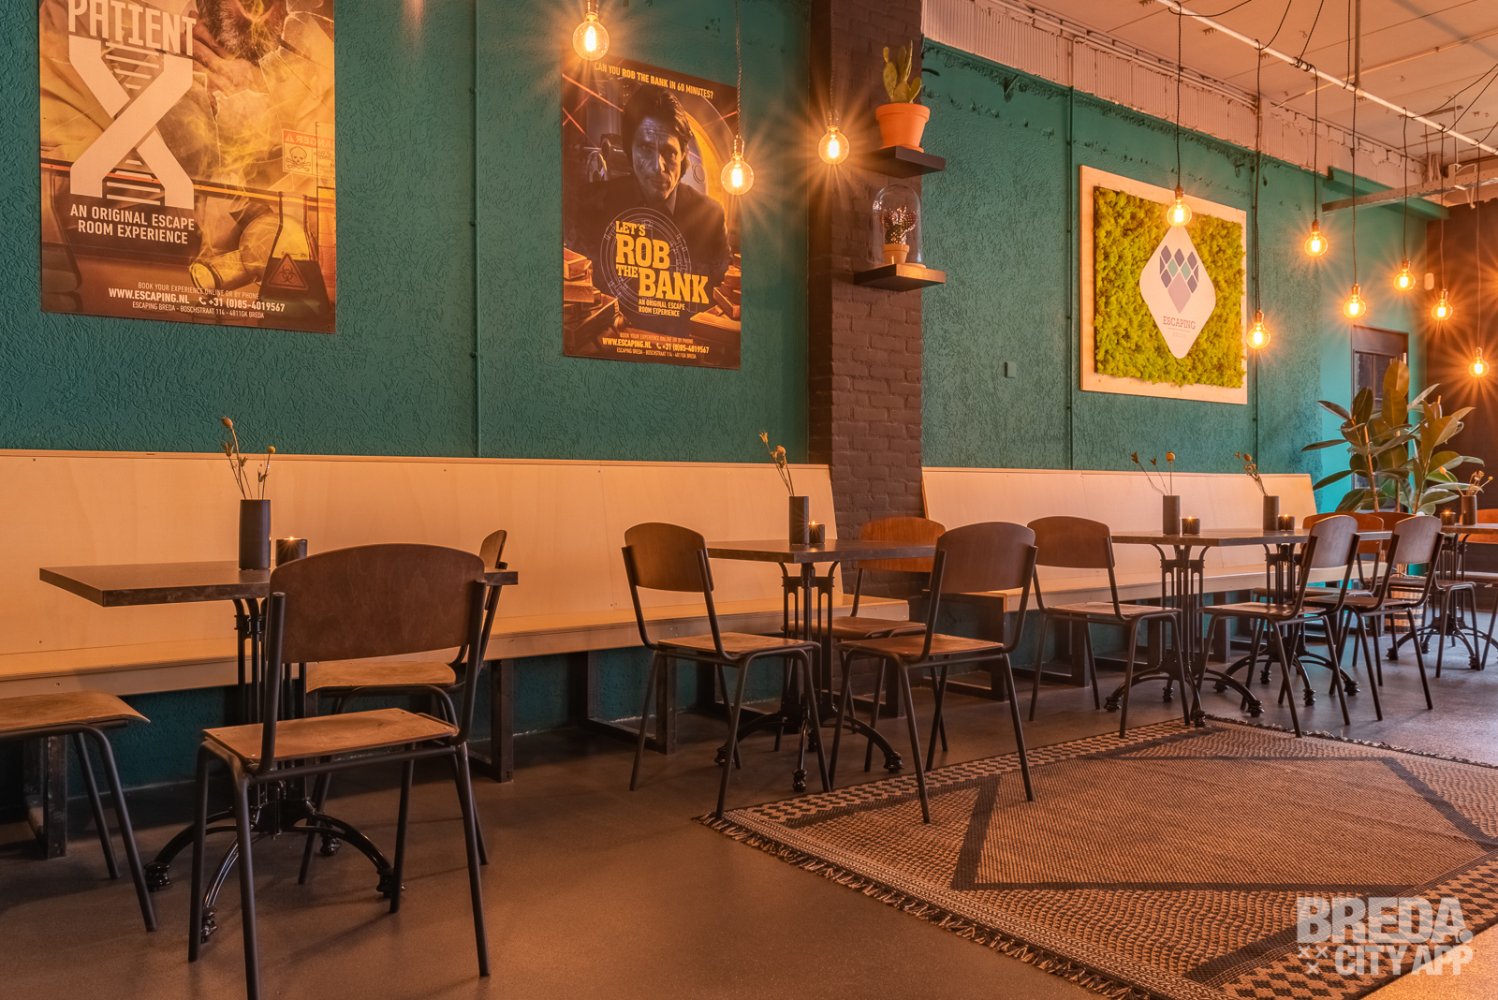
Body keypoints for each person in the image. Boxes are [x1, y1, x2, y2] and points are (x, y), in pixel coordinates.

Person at [573, 84, 732, 333]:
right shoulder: (595, 205)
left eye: (669, 152)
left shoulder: (710, 216)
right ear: (629, 149)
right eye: (646, 148)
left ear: (683, 154)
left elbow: (725, 304)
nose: (658, 167)